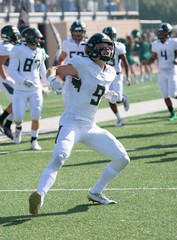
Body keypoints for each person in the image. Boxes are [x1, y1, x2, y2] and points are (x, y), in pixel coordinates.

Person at [28, 33, 130, 215]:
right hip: (72, 121)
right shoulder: (81, 64)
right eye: (102, 46)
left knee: (123, 159)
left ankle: (96, 192)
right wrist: (52, 81)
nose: (107, 49)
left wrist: (109, 94)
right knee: (59, 157)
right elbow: (53, 70)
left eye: (109, 46)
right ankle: (39, 195)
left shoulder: (111, 72)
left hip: (90, 126)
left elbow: (96, 87)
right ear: (91, 49)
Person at [8, 27, 62, 150]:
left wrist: (52, 84)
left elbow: (43, 72)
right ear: (30, 38)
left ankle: (34, 140)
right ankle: (18, 129)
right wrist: (23, 81)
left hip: (35, 89)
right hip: (20, 89)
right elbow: (11, 70)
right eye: (37, 38)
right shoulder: (18, 49)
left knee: (36, 114)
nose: (39, 41)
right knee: (18, 117)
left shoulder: (40, 51)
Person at [143, 23, 177, 121]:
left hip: (172, 70)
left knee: (173, 94)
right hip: (161, 71)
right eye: (160, 32)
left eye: (163, 32)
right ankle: (172, 113)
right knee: (165, 95)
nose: (161, 33)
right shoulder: (155, 44)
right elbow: (153, 57)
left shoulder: (174, 42)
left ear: (168, 32)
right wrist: (147, 62)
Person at [102, 26, 130, 127]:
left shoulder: (118, 46)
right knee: (109, 98)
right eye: (106, 35)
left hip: (116, 75)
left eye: (109, 35)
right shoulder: (99, 47)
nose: (108, 37)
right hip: (105, 76)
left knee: (117, 99)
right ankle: (119, 118)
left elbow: (125, 62)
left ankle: (124, 98)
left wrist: (128, 76)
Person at [57, 20, 87, 106]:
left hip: (84, 78)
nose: (78, 34)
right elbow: (61, 58)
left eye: (80, 31)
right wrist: (61, 71)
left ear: (84, 32)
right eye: (76, 31)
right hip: (70, 77)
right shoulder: (67, 43)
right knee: (67, 104)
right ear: (72, 32)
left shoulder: (88, 44)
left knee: (83, 105)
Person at [0, 25, 21, 139]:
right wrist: (5, 78)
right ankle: (3, 121)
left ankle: (7, 124)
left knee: (18, 101)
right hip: (4, 78)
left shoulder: (8, 46)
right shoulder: (6, 47)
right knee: (18, 101)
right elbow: (0, 64)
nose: (17, 37)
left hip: (6, 77)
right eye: (15, 35)